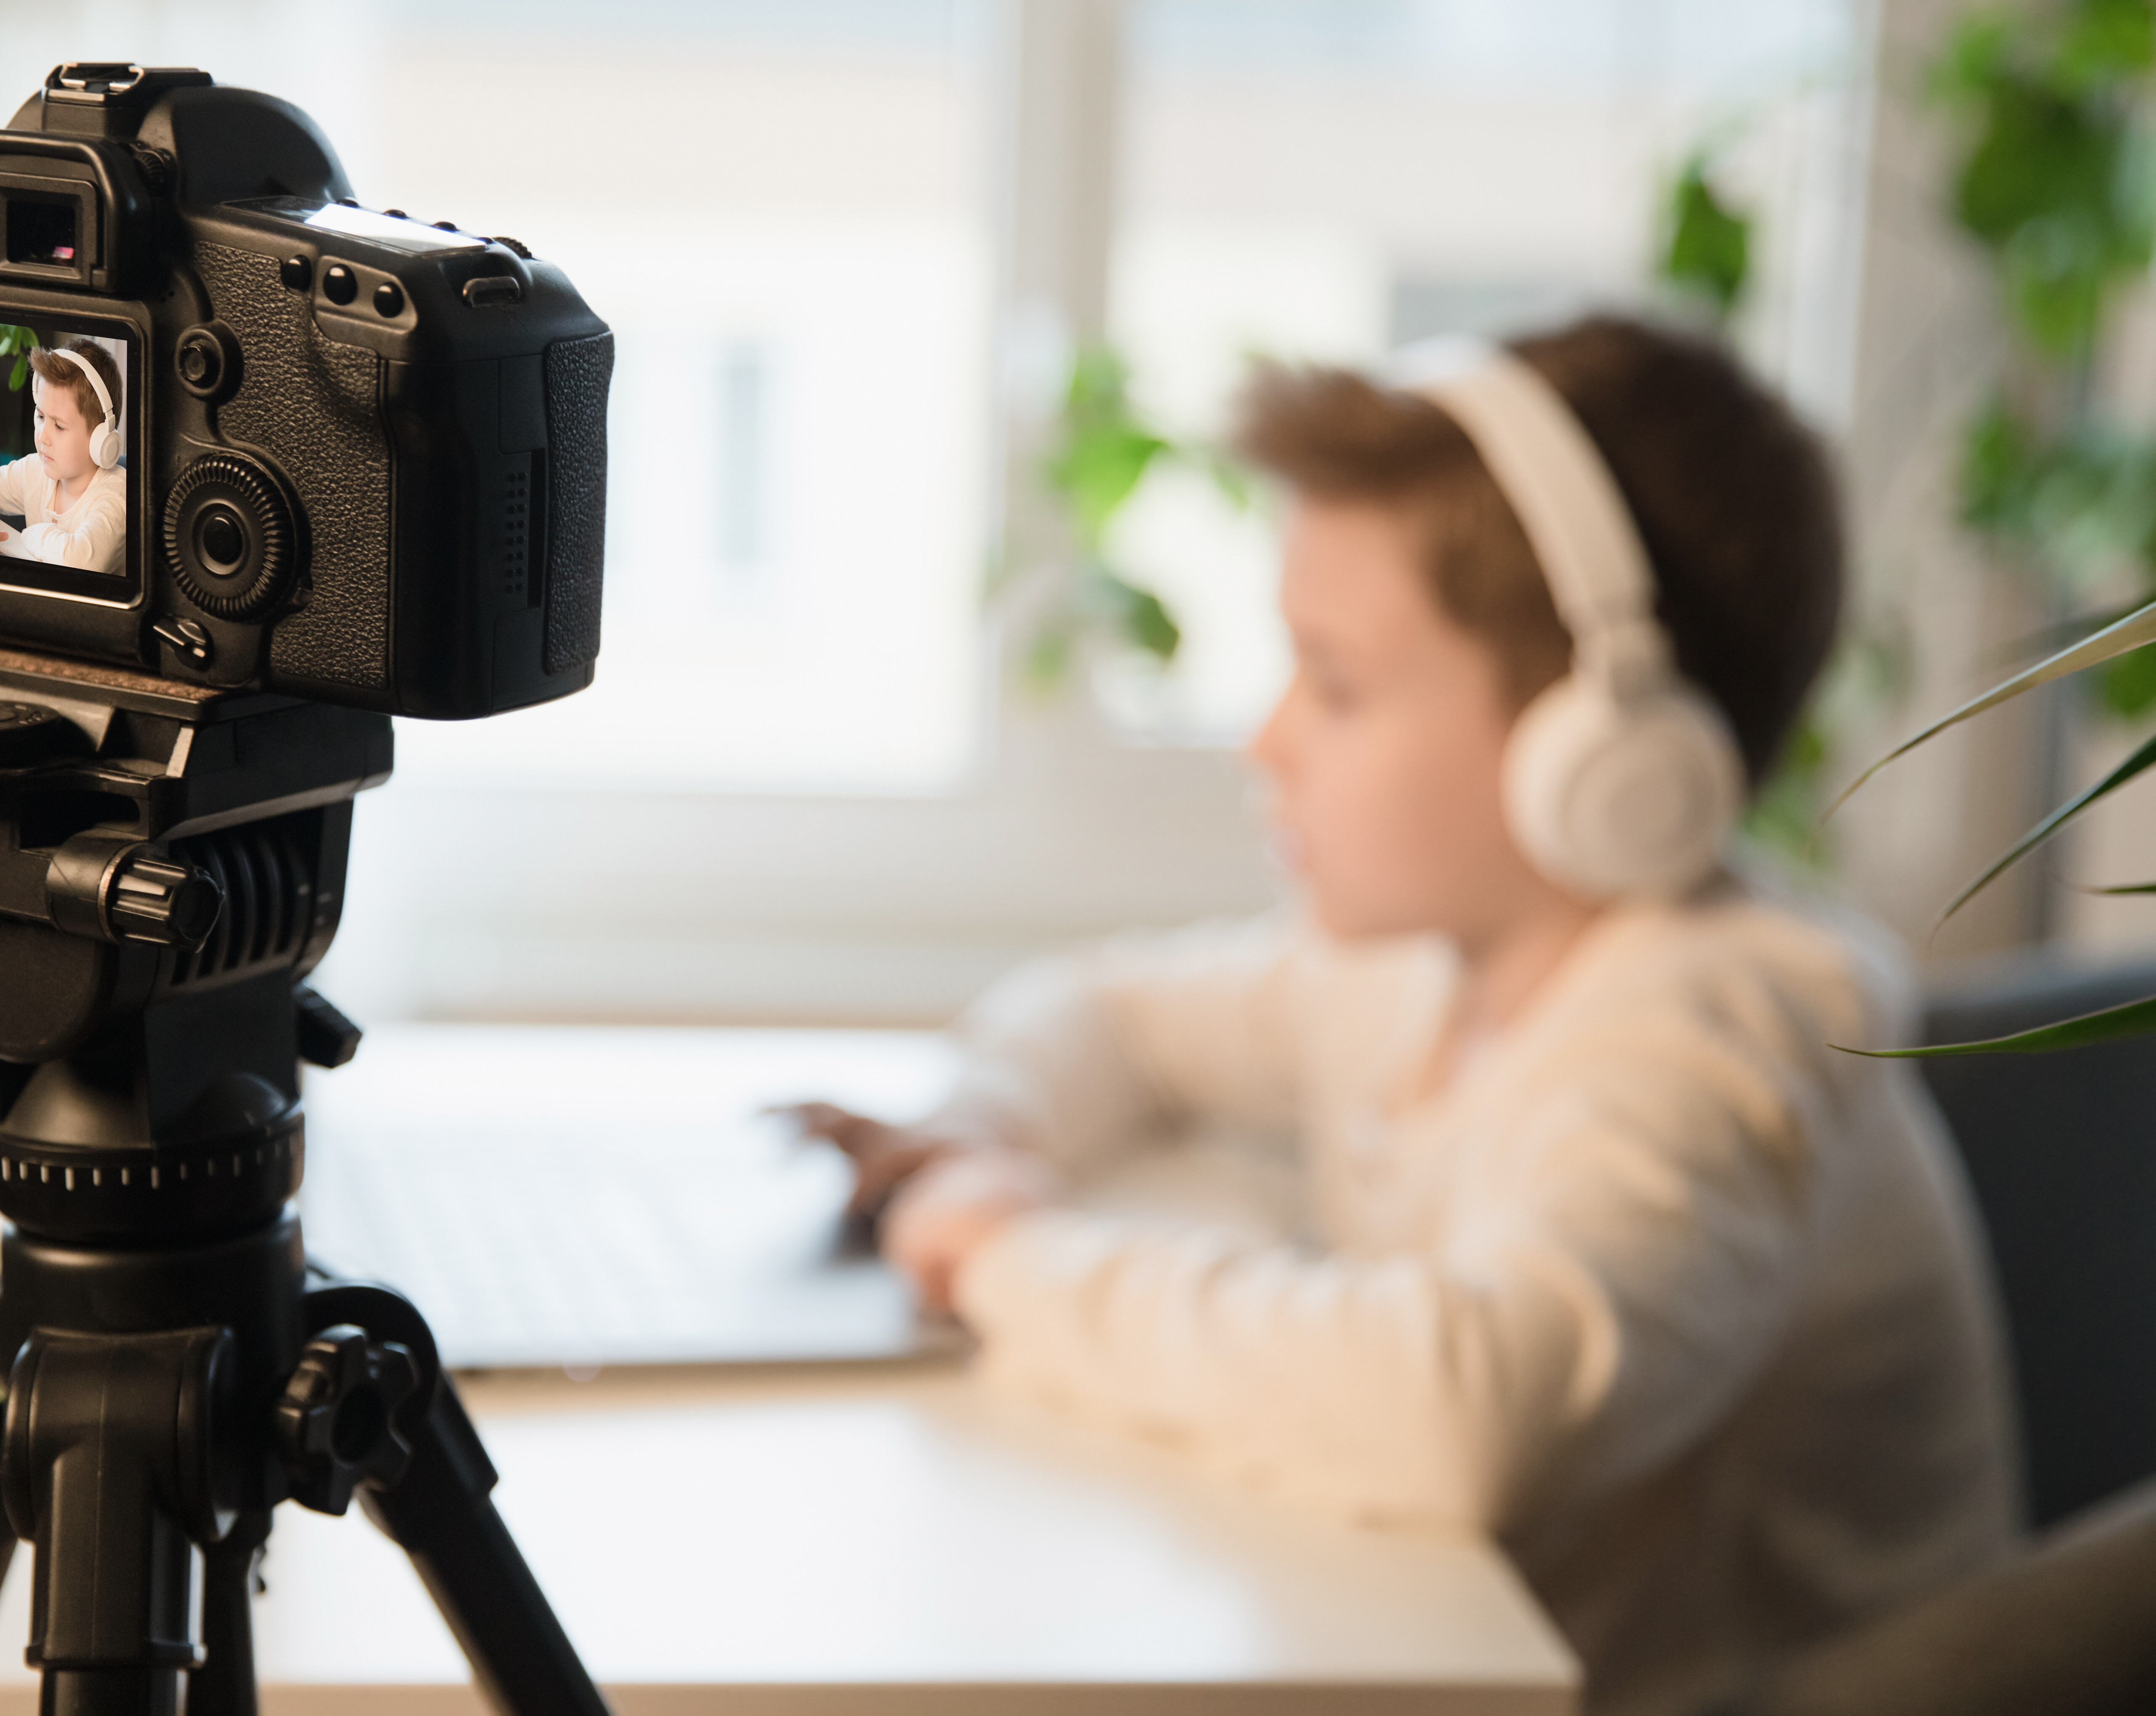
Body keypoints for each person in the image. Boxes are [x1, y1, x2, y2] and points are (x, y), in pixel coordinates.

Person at [792, 315, 2017, 1716]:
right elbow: (1110, 1012)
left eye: (1336, 682)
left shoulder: (1723, 1022)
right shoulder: (1420, 964)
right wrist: (976, 1131)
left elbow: (1464, 1410)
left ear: (1594, 753)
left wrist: (1008, 1256)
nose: (1267, 738)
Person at [0, 342, 126, 572]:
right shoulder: (37, 470)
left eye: (59, 426)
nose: (43, 437)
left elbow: (80, 562)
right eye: (41, 416)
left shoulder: (117, 495)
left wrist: (30, 536)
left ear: (101, 440)